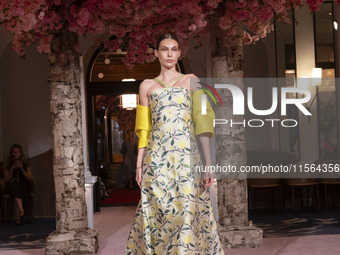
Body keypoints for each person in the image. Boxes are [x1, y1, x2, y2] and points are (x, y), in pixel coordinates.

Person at [125, 33, 224, 254]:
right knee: (160, 213)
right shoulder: (146, 86)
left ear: (180, 53)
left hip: (187, 159)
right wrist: (139, 166)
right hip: (156, 161)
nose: (169, 54)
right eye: (164, 49)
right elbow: (144, 130)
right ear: (156, 53)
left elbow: (203, 123)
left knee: (187, 213)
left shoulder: (192, 80)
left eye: (174, 49)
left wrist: (209, 163)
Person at [4, 144, 33, 225]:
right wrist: (12, 169)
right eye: (14, 152)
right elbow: (7, 180)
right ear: (11, 153)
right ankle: (21, 211)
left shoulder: (25, 163)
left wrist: (22, 169)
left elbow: (29, 178)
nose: (16, 154)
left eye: (18, 152)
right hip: (11, 185)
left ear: (21, 153)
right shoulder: (8, 164)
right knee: (14, 189)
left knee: (16, 191)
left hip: (23, 186)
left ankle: (18, 219)